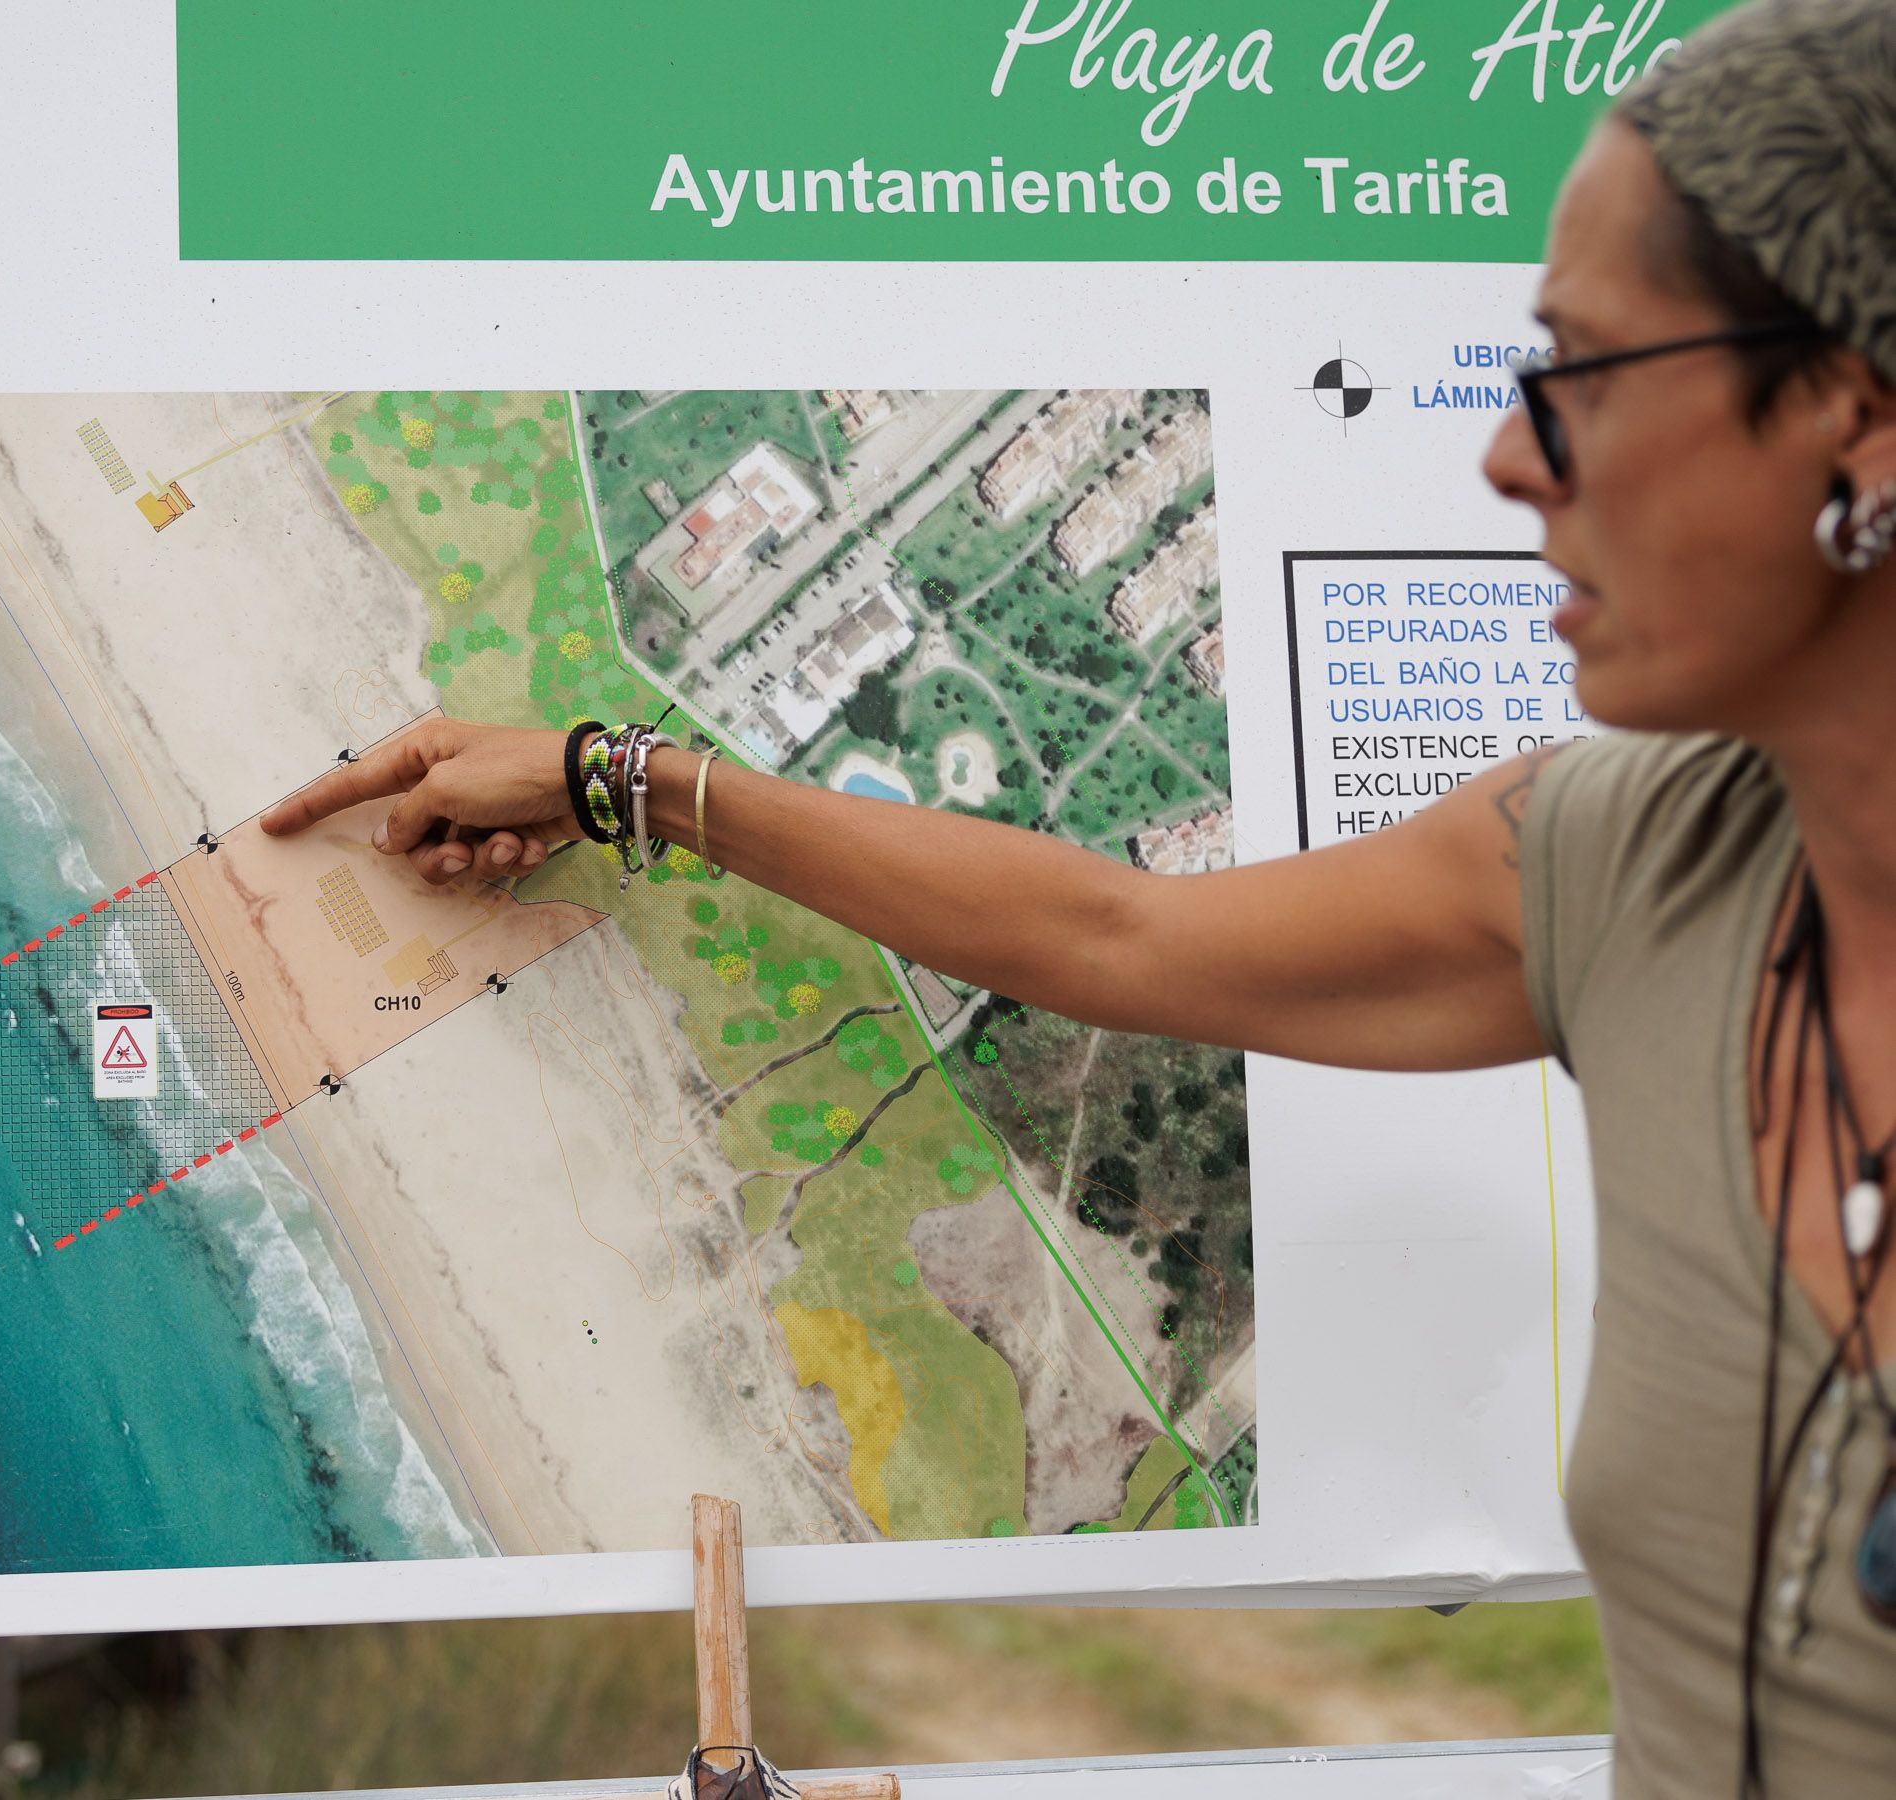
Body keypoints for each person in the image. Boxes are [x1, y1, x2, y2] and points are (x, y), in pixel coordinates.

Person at [257, 1, 1896, 1790]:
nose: (1510, 458)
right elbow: (1116, 934)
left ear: (1855, 424)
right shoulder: (1643, 861)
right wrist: (620, 774)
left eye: (1583, 378)